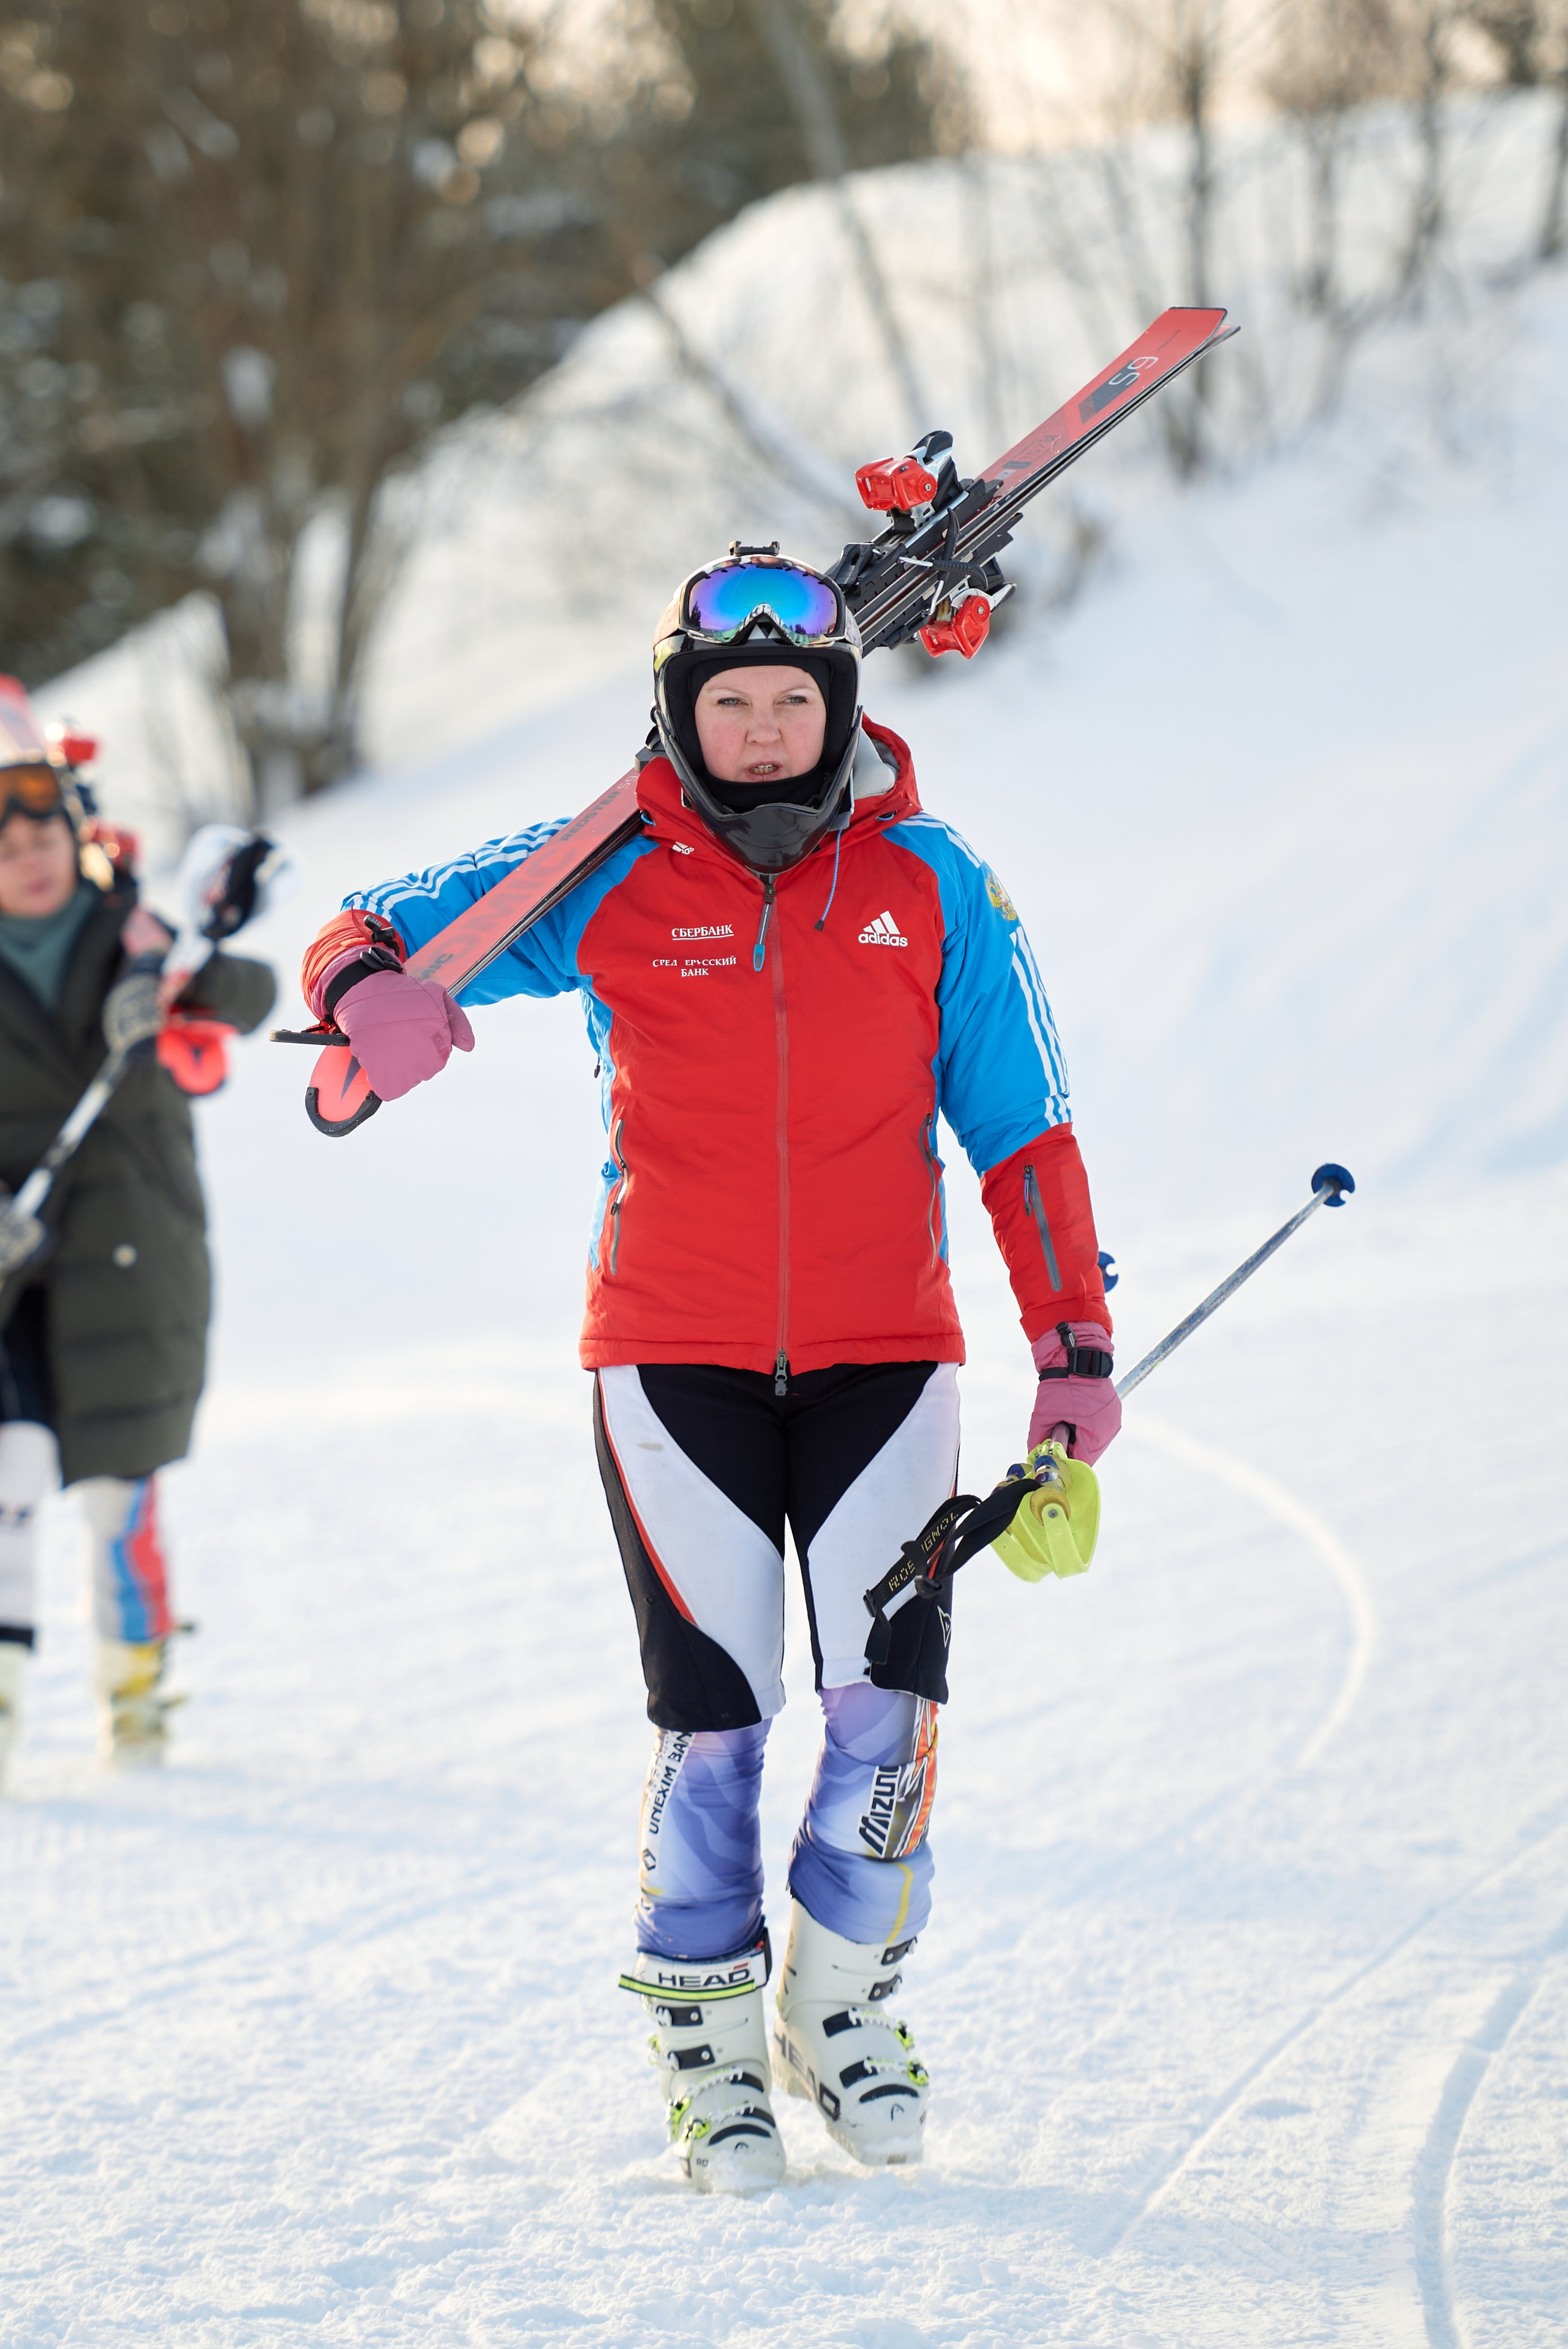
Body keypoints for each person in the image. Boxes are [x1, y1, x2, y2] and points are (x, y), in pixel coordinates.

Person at [298, 552, 1120, 2191]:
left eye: (788, 704)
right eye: (726, 705)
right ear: (677, 714)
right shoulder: (605, 868)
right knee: (715, 1715)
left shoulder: (937, 883)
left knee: (890, 1705)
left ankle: (843, 2002)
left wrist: (1071, 1342)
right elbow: (366, 927)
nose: (757, 733)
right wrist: (366, 998)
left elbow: (1024, 1126)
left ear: (840, 712)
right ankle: (706, 2045)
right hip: (669, 1355)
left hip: (888, 1352)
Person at [0, 681, 276, 1782]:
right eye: (2, 838)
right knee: (5, 1481)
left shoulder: (144, 938)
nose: (27, 852)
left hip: (134, 1262)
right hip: (14, 1275)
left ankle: (137, 1696)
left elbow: (251, 997)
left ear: (76, 832)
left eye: (42, 829)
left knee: (120, 1493)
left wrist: (181, 981)